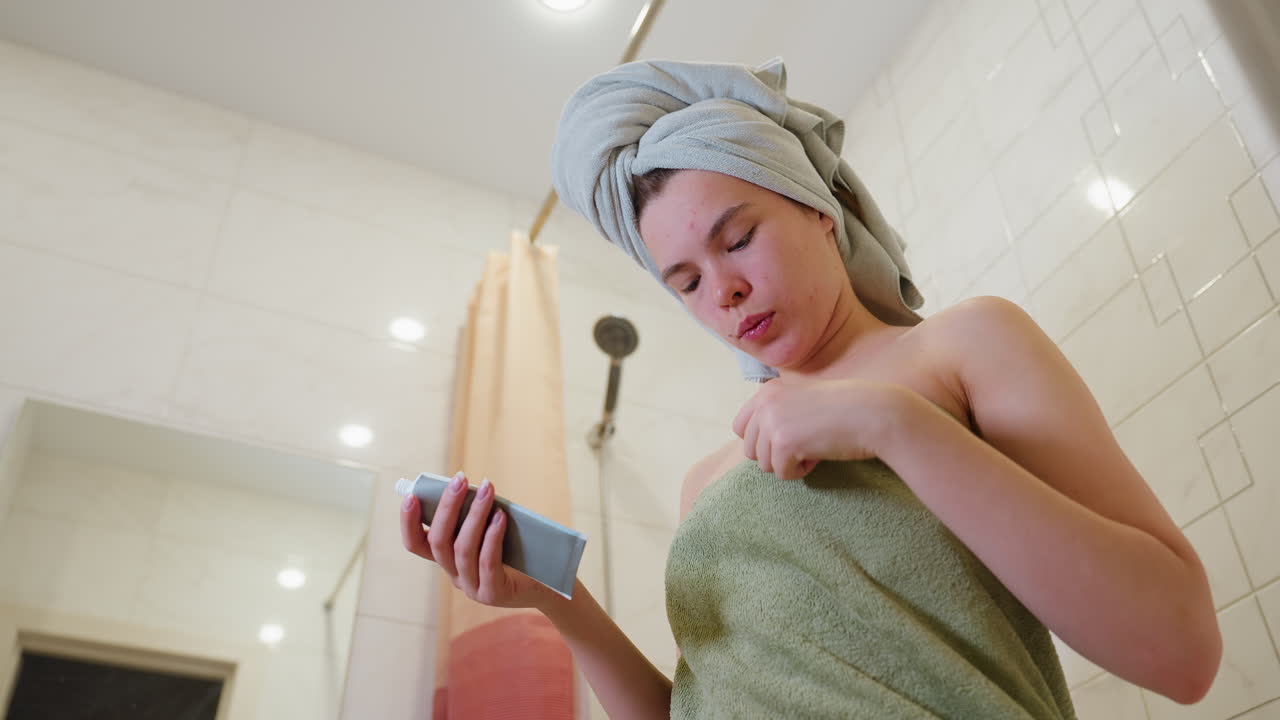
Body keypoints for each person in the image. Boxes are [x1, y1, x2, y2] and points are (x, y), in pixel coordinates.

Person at [401, 58, 1222, 718]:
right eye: (686, 280)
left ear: (819, 211)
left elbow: (1179, 649)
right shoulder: (708, 482)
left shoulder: (962, 347)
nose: (721, 291)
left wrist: (893, 424)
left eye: (740, 238)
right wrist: (562, 603)